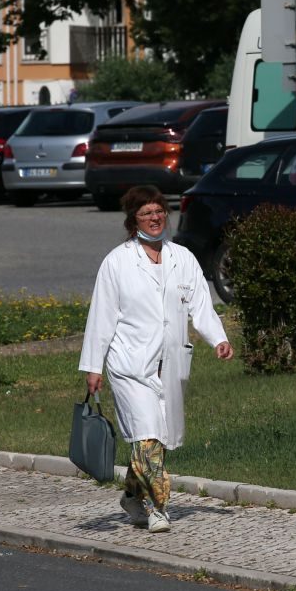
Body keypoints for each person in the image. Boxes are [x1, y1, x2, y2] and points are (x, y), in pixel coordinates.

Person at [79, 185, 234, 533]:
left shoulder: (182, 258)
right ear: (134, 221)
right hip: (129, 364)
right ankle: (157, 507)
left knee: (156, 438)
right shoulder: (117, 262)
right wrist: (93, 365)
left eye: (160, 211)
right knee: (147, 437)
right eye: (147, 213)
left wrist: (218, 339)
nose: (155, 218)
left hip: (170, 364)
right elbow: (101, 316)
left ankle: (132, 496)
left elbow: (200, 306)